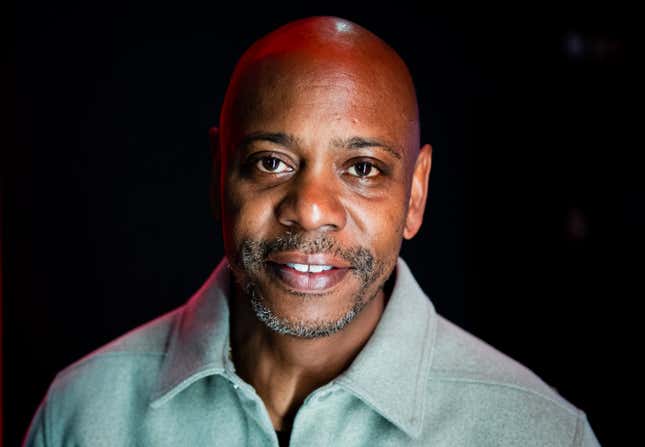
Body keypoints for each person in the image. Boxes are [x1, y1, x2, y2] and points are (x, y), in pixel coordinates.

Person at [23, 16, 600, 446]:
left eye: (363, 169)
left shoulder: (539, 433)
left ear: (415, 194)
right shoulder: (82, 414)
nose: (311, 209)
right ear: (217, 174)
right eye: (271, 162)